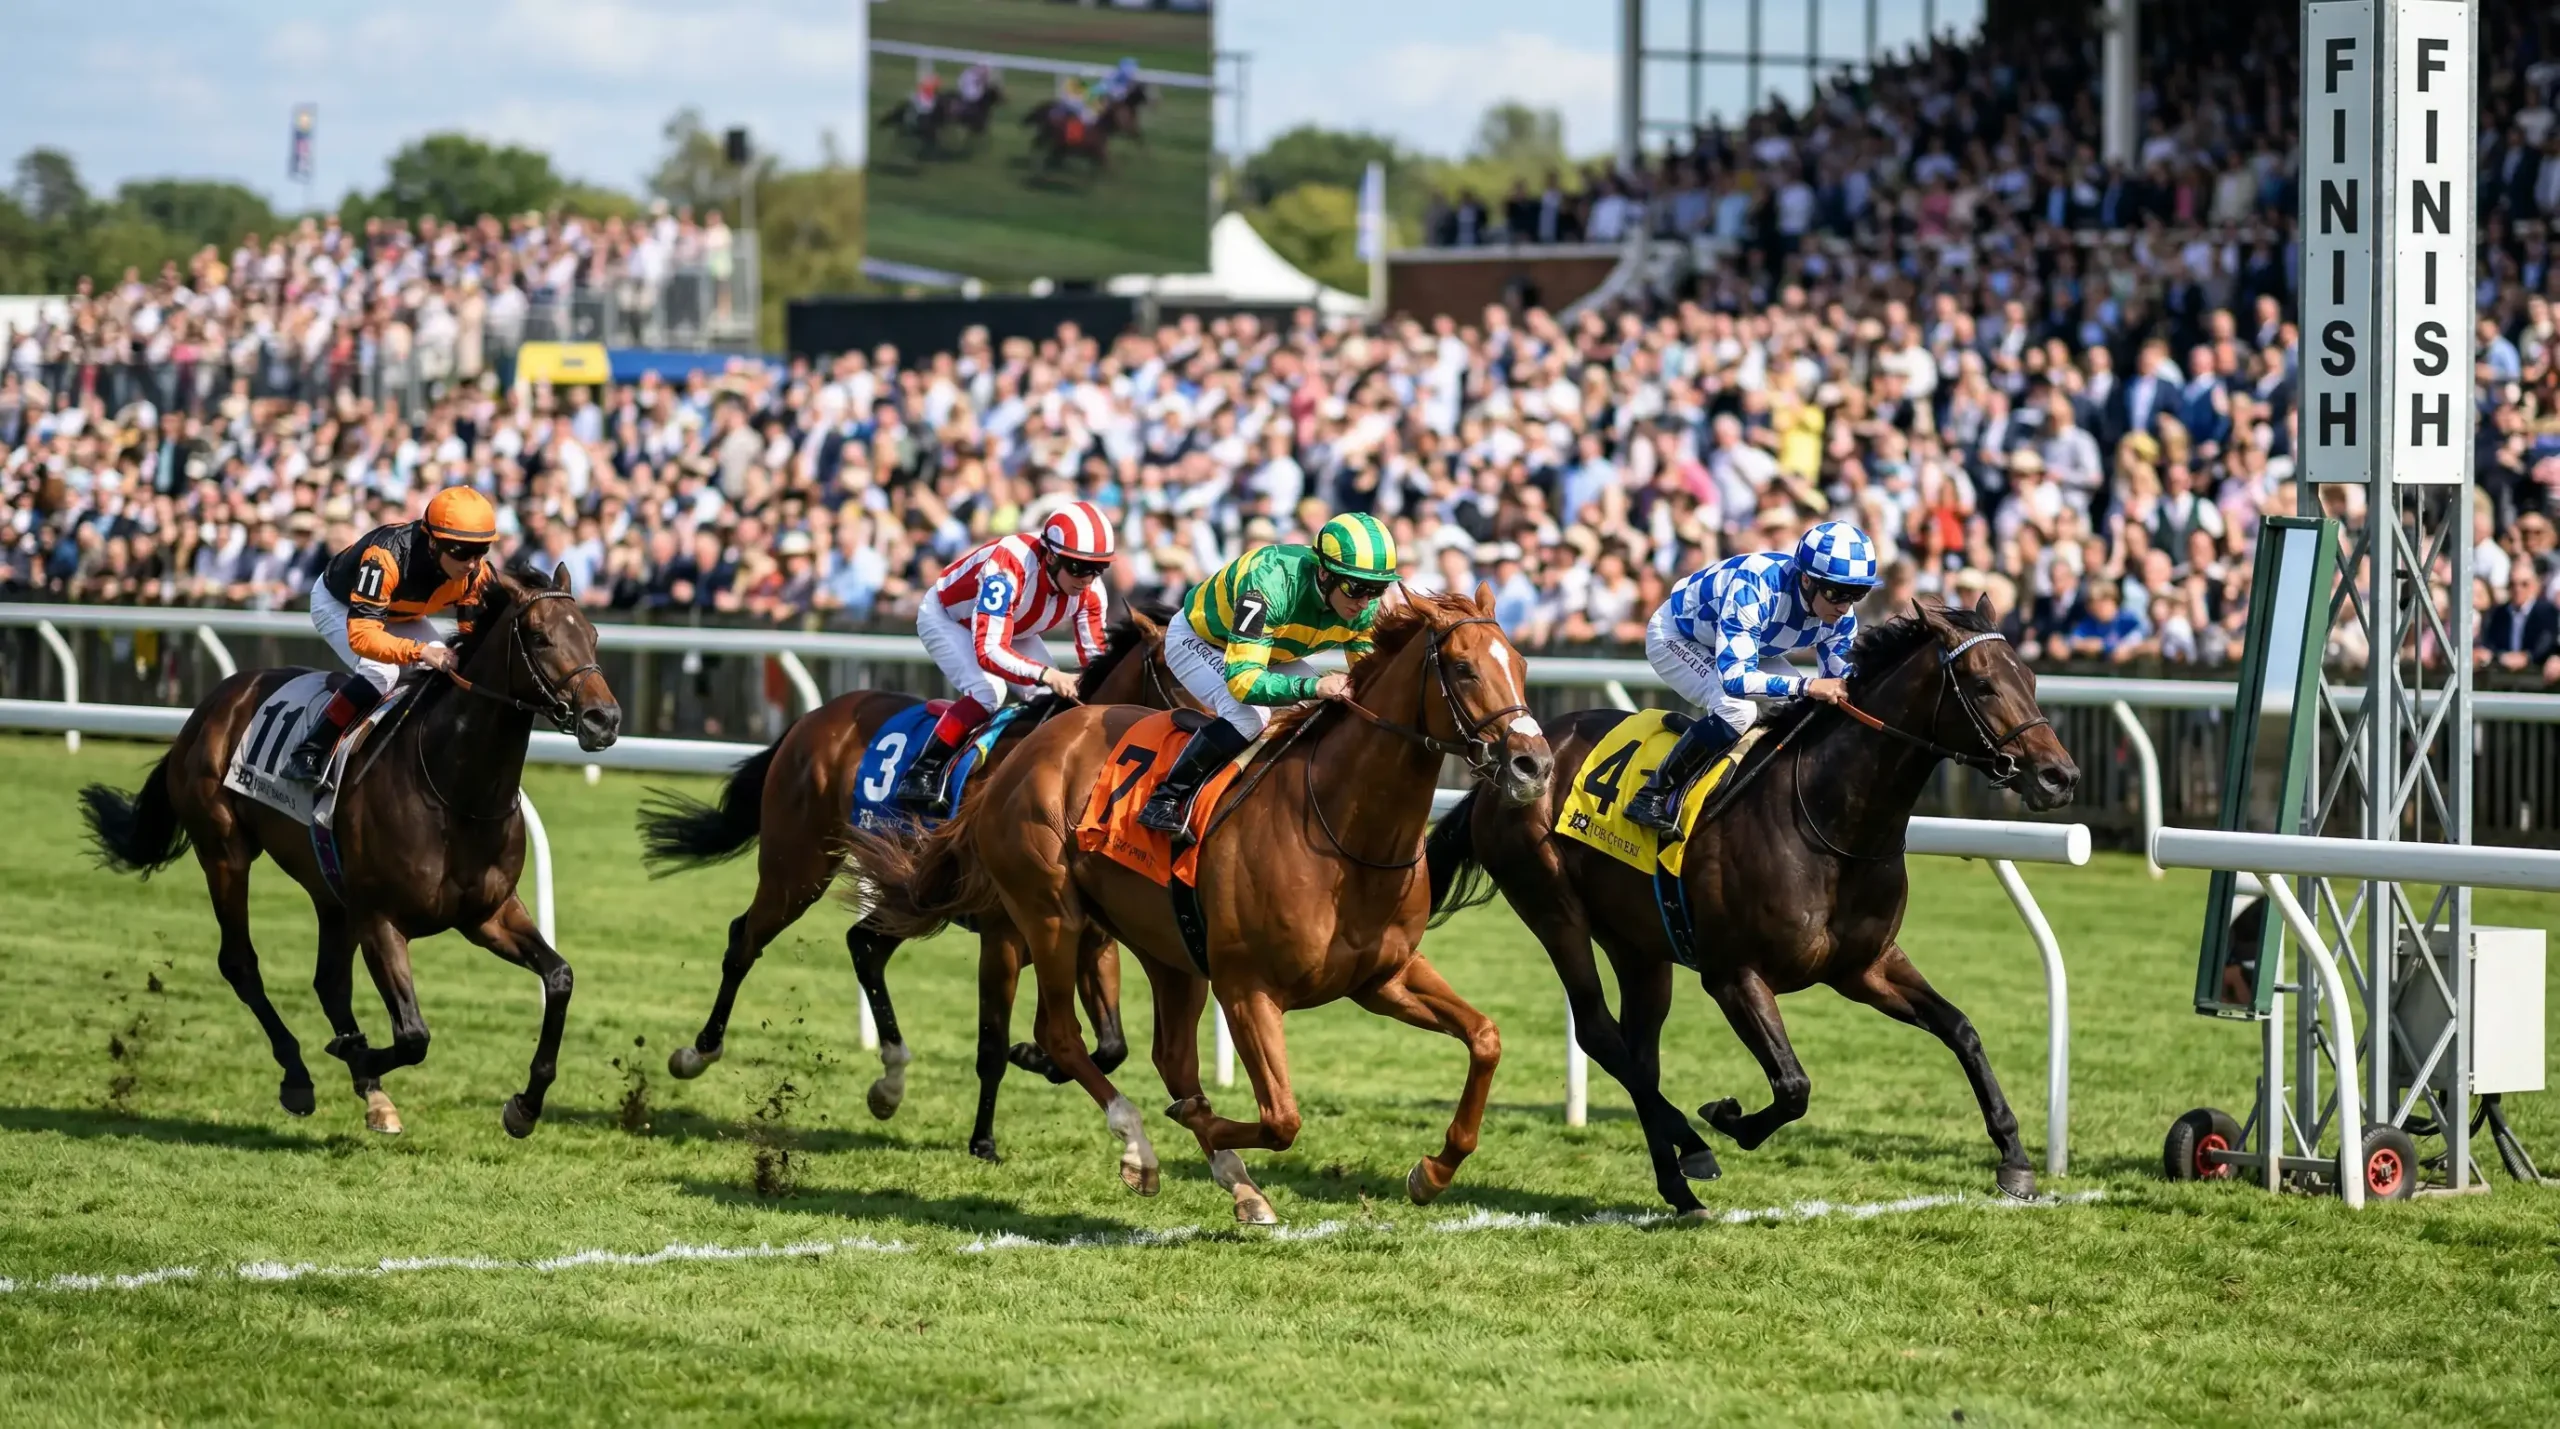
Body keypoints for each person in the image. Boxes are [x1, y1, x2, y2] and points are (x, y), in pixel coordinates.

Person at [1138, 512, 1399, 836]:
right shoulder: (1269, 583)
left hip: (1270, 650)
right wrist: (1314, 684)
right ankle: (1166, 797)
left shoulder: (1364, 607)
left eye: (1376, 589)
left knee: (1325, 715)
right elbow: (1244, 683)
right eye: (1356, 587)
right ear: (1324, 572)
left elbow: (1368, 678)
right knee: (1249, 718)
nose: (1364, 602)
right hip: (1201, 640)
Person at [1620, 520, 1878, 833]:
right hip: (1677, 637)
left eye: (1857, 594)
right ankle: (1651, 795)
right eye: (1838, 593)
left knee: (1804, 712)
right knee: (1737, 709)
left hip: (1748, 649)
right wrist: (1807, 684)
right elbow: (1735, 679)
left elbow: (1840, 687)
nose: (1845, 606)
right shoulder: (1756, 585)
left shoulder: (1840, 617)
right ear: (1808, 581)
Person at [893, 501, 1115, 815]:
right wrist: (1049, 674)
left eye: (1098, 568)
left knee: (1053, 703)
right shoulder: (1009, 565)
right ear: (1050, 556)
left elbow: (1098, 662)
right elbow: (988, 651)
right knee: (988, 693)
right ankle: (924, 770)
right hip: (949, 618)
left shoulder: (1092, 592)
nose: (1087, 579)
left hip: (1015, 628)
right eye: (1078, 567)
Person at [282, 486, 499, 782]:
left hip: (401, 613)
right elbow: (363, 636)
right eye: (462, 551)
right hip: (341, 605)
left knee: (452, 672)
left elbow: (473, 637)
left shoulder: (476, 573)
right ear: (433, 543)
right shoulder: (385, 556)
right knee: (380, 673)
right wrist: (420, 651)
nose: (472, 563)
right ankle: (310, 750)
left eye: (481, 551)